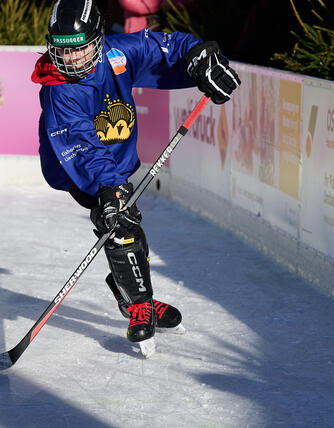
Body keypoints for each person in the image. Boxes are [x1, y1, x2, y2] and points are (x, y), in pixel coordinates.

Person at [31, 0, 239, 355]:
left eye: (81, 50)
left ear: (99, 40)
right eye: (64, 52)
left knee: (127, 224)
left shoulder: (118, 53)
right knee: (119, 224)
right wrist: (110, 190)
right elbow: (82, 145)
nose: (73, 61)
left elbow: (165, 47)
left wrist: (200, 59)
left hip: (119, 159)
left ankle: (126, 286)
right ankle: (139, 304)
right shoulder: (59, 89)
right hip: (80, 168)